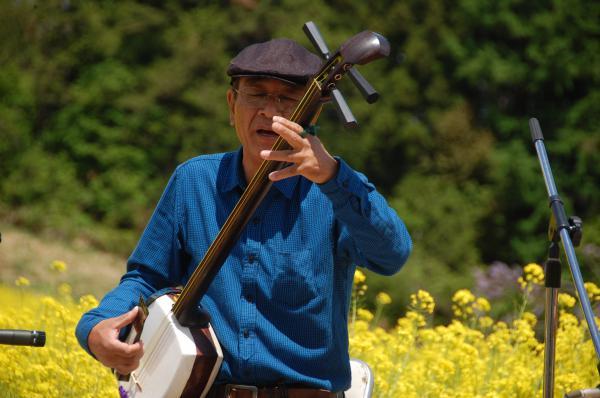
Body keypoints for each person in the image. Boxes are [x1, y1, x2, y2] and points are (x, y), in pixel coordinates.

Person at [76, 38, 412, 398]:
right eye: (256, 94)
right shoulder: (194, 181)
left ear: (312, 112)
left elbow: (391, 255)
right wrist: (95, 328)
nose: (270, 111)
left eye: (287, 98)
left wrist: (333, 176)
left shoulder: (336, 192)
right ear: (231, 103)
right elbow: (146, 277)